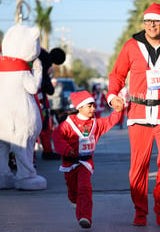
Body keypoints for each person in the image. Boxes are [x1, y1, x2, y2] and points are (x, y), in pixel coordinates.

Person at [107, 2, 160, 227]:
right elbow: (117, 75)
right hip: (138, 112)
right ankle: (140, 210)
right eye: (147, 21)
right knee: (139, 165)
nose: (151, 25)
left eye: (155, 21)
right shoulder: (131, 46)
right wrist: (112, 96)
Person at [51, 90, 123, 229]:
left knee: (85, 188)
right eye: (89, 106)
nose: (93, 109)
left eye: (93, 105)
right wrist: (67, 149)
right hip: (70, 163)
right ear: (79, 107)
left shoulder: (96, 124)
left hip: (86, 163)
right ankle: (74, 200)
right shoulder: (68, 124)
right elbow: (57, 136)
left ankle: (85, 216)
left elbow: (110, 120)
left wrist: (118, 111)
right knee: (73, 191)